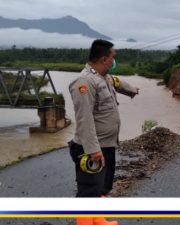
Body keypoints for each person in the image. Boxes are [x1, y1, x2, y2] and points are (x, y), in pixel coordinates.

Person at [69, 39, 139, 225]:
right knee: (88, 192)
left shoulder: (103, 78)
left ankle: (99, 221)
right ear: (103, 59)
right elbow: (84, 119)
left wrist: (132, 89)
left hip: (106, 144)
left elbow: (117, 83)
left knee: (102, 187)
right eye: (113, 57)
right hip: (91, 148)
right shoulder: (84, 82)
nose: (115, 61)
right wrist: (93, 149)